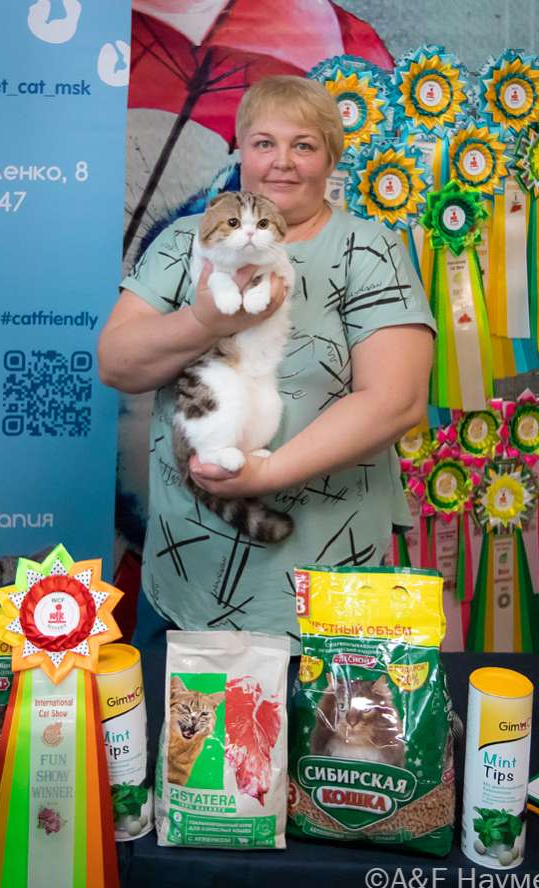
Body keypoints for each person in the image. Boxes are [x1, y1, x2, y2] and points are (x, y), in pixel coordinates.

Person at [98, 75, 435, 650]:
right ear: (241, 151)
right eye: (264, 143)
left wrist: (265, 475)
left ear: (331, 158)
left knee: (328, 711)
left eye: (303, 145)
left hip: (330, 573)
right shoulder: (184, 241)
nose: (282, 162)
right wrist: (206, 322)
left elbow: (396, 400)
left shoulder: (369, 248)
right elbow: (116, 364)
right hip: (189, 572)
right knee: (185, 711)